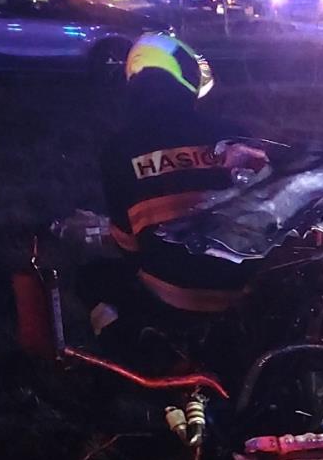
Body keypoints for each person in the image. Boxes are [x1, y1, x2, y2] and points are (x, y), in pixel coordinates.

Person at [96, 33, 266, 329]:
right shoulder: (234, 133)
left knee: (90, 280)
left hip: (170, 300)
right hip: (244, 296)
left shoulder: (118, 149)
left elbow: (127, 244)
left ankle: (128, 349)